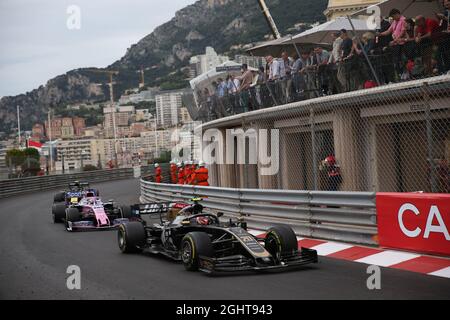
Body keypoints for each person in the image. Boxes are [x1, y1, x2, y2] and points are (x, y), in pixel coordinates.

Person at [378, 9, 407, 79]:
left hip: (402, 43)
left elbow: (403, 32)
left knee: (402, 59)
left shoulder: (403, 20)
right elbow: (389, 31)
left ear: (397, 14)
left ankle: (405, 72)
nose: (393, 18)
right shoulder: (394, 22)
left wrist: (395, 40)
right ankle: (401, 74)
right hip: (396, 43)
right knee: (397, 60)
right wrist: (380, 34)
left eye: (393, 16)